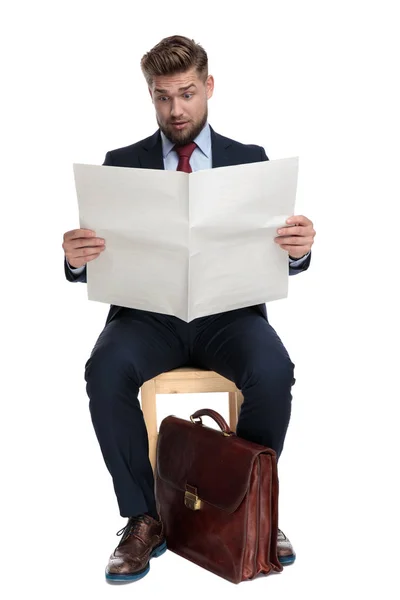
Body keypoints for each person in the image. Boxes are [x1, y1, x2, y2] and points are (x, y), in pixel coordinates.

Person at [62, 35, 316, 583]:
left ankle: (254, 503)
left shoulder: (249, 162)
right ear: (149, 96)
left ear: (209, 87)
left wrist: (300, 251)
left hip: (229, 316)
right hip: (147, 318)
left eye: (186, 93)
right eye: (162, 97)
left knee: (273, 371)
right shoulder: (120, 165)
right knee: (103, 369)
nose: (176, 109)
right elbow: (96, 262)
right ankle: (143, 517)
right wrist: (77, 260)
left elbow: (280, 257)